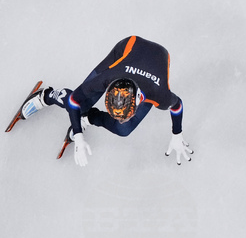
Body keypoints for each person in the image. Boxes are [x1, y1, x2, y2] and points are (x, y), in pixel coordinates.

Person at [16, 36, 192, 167]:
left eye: (123, 115)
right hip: (127, 49)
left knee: (124, 129)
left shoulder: (159, 94)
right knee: (82, 104)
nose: (119, 118)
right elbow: (74, 101)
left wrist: (177, 134)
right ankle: (47, 95)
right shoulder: (106, 78)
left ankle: (88, 118)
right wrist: (78, 137)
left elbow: (177, 106)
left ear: (139, 100)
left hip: (157, 57)